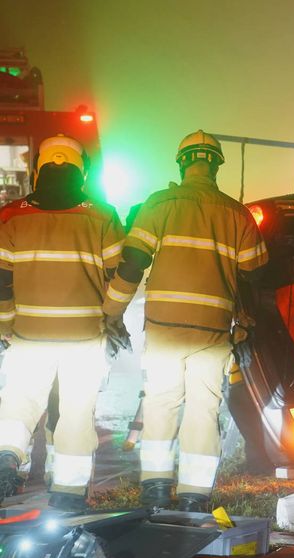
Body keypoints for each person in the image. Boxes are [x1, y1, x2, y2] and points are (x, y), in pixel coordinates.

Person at [102, 130, 268, 512]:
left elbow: (132, 264)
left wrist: (111, 311)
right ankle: (194, 494)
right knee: (203, 409)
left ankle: (156, 488)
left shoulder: (159, 204)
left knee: (160, 404)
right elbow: (256, 274)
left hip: (164, 328)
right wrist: (246, 320)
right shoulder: (236, 213)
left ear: (182, 162)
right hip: (212, 332)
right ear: (217, 166)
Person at [0, 134, 126, 512]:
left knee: (19, 403)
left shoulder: (10, 215)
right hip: (84, 337)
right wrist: (112, 317)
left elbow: (1, 278)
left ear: (38, 170)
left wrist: (5, 324)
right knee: (75, 411)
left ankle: (7, 456)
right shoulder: (102, 214)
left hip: (28, 335)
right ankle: (68, 494)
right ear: (81, 171)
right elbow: (119, 272)